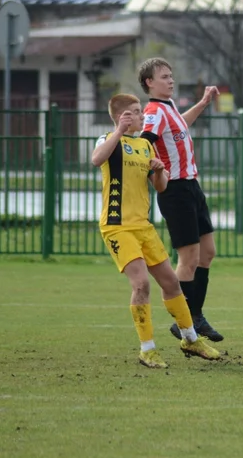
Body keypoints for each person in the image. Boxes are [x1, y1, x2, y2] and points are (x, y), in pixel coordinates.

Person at [92, 94, 220, 368]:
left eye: (140, 112)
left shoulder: (145, 147)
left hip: (143, 227)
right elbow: (95, 159)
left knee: (172, 283)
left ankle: (190, 338)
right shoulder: (108, 140)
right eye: (136, 112)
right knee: (141, 284)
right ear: (122, 116)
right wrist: (118, 130)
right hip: (118, 227)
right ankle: (147, 349)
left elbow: (160, 187)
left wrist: (160, 171)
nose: (142, 117)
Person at [137, 58, 224, 343]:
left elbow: (179, 125)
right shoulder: (152, 111)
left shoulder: (169, 108)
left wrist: (202, 102)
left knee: (207, 253)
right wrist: (152, 173)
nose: (170, 80)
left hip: (191, 187)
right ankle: (184, 320)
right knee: (188, 259)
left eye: (171, 76)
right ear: (150, 82)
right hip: (175, 191)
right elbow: (144, 143)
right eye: (164, 77)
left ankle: (195, 315)